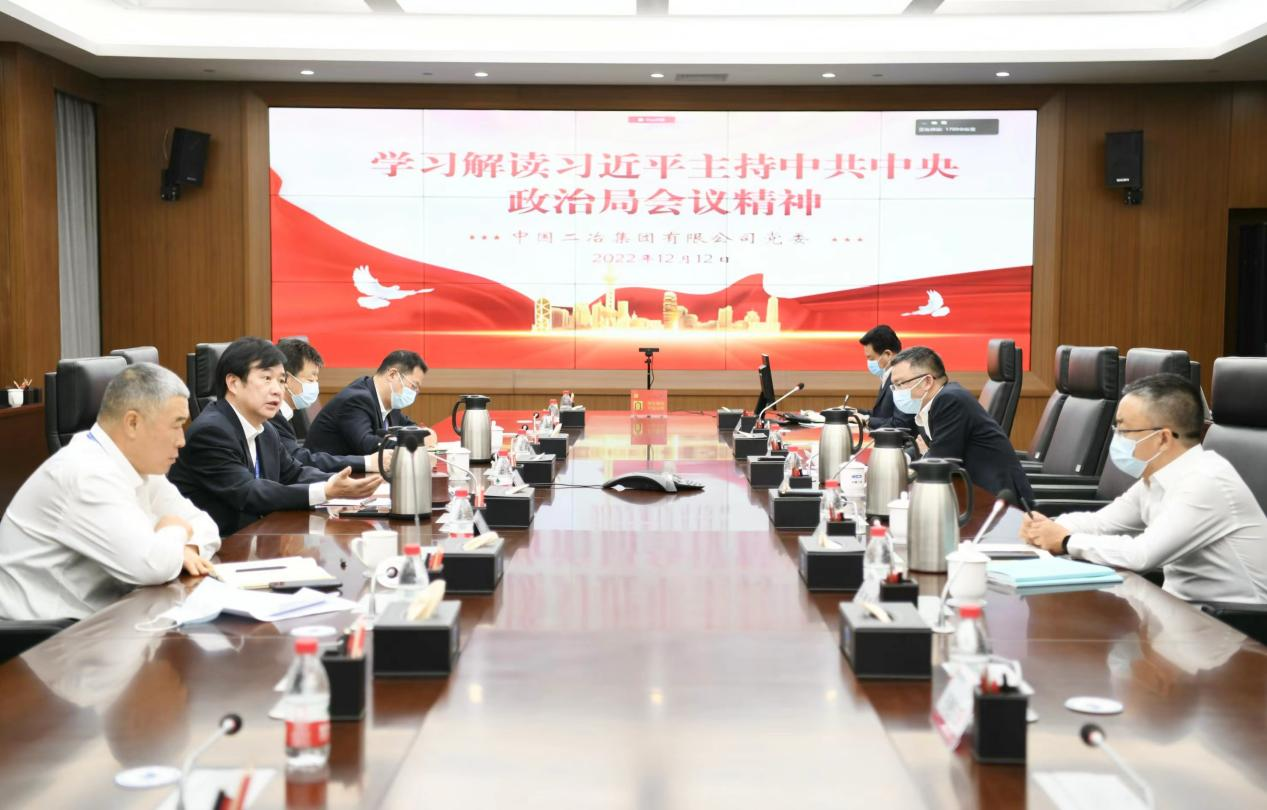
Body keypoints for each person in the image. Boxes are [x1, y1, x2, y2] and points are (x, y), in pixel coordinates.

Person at [1021, 373, 1267, 604]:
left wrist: (1066, 540)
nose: (1116, 438)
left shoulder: (1205, 481)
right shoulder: (1156, 479)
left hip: (1237, 624)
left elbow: (1141, 555)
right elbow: (1101, 523)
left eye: (1124, 430)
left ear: (1163, 438)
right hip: (1180, 609)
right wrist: (1048, 526)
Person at [0, 363, 220, 621]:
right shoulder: (86, 473)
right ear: (133, 423)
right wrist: (176, 530)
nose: (182, 440)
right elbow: (151, 566)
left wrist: (186, 549)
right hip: (44, 635)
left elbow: (205, 525)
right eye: (176, 425)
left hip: (106, 618)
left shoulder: (138, 465)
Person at [168, 337, 381, 536]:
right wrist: (326, 491)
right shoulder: (212, 432)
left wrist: (340, 482)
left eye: (281, 381)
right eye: (267, 378)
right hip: (214, 546)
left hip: (255, 538)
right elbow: (249, 493)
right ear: (233, 383)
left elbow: (294, 473)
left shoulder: (266, 429)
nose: (278, 390)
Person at [887, 345, 1034, 502]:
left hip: (995, 499)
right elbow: (930, 448)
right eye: (894, 385)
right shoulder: (935, 402)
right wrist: (903, 458)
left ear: (927, 381)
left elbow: (940, 461)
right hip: (969, 490)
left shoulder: (949, 400)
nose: (896, 391)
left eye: (900, 384)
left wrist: (899, 472)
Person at [273, 337, 392, 475]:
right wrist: (367, 462)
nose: (315, 386)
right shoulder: (273, 416)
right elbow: (297, 459)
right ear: (286, 379)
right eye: (310, 380)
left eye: (316, 380)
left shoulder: (286, 414)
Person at [303, 349, 434, 458]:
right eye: (413, 386)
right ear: (392, 375)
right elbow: (366, 444)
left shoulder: (390, 402)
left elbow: (407, 426)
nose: (414, 393)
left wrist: (423, 433)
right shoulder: (356, 399)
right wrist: (414, 443)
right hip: (324, 475)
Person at [857, 325, 916, 433]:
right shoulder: (887, 374)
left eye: (871, 358)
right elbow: (883, 414)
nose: (869, 362)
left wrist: (867, 421)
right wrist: (855, 413)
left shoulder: (904, 379)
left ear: (888, 354)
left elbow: (901, 423)